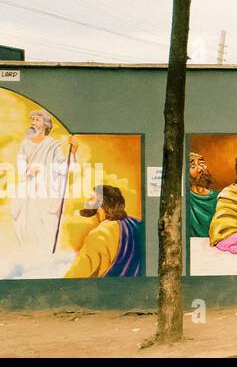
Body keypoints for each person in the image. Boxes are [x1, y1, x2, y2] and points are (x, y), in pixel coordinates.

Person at [8, 110, 78, 252]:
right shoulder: (25, 144)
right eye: (32, 119)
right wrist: (28, 170)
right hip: (28, 191)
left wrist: (74, 151)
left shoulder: (53, 145)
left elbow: (63, 168)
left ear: (45, 125)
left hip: (46, 192)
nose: (33, 122)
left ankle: (45, 257)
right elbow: (20, 162)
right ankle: (28, 257)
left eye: (37, 120)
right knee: (25, 226)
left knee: (44, 227)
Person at [64, 186, 141, 278]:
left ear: (100, 202)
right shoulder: (136, 223)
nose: (86, 202)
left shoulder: (100, 234)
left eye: (91, 198)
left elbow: (74, 276)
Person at [187, 151, 218, 239]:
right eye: (193, 167)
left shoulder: (218, 197)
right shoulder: (184, 199)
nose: (201, 169)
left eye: (202, 163)